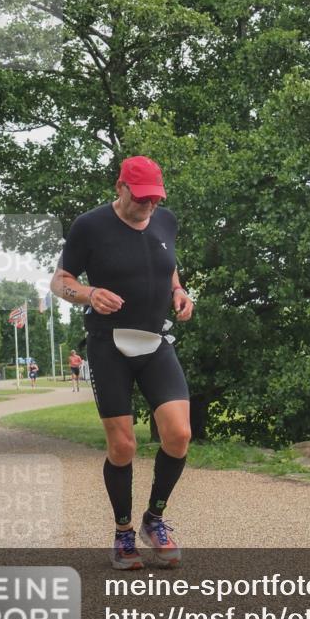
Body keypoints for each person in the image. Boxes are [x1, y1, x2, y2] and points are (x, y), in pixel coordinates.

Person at [51, 155, 194, 571]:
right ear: (121, 187)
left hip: (155, 342)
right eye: (142, 199)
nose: (149, 207)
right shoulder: (90, 226)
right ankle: (123, 533)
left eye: (155, 199)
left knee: (179, 435)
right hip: (108, 345)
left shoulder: (166, 221)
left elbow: (169, 269)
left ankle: (155, 520)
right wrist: (89, 294)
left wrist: (180, 292)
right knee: (123, 445)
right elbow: (60, 281)